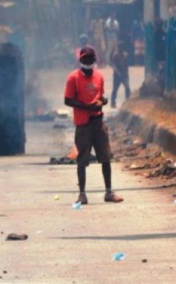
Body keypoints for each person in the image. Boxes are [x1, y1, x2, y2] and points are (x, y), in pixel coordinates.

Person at [64, 46, 124, 205]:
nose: (88, 61)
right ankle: (82, 194)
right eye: (85, 59)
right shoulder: (73, 78)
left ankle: (109, 192)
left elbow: (100, 96)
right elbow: (68, 100)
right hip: (83, 124)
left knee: (105, 158)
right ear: (81, 60)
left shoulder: (99, 76)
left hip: (98, 122)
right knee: (82, 161)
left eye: (90, 59)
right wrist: (86, 107)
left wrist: (103, 101)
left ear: (94, 60)